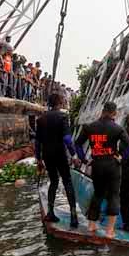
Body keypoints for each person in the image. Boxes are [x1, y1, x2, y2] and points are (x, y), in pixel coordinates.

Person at [74, 101, 129, 238]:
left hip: (97, 165)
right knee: (113, 195)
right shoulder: (117, 129)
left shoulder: (90, 127)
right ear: (114, 113)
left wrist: (84, 160)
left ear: (103, 111)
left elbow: (77, 144)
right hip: (112, 165)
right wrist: (122, 158)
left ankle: (91, 225)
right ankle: (109, 231)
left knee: (98, 194)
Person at [35, 93, 79, 228]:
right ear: (60, 103)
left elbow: (37, 142)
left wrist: (39, 159)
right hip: (60, 153)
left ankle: (51, 212)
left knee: (53, 181)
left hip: (47, 155)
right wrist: (74, 155)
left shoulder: (41, 119)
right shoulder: (63, 117)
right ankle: (73, 216)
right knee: (67, 181)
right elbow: (67, 139)